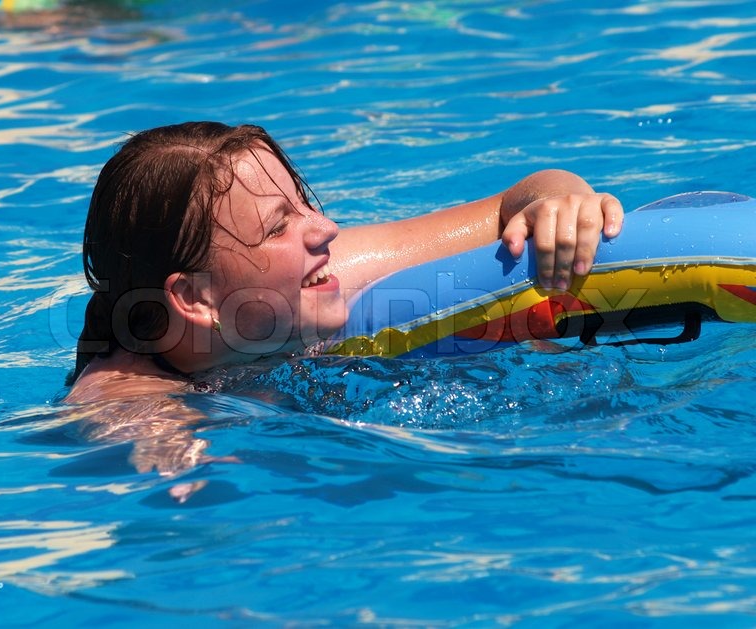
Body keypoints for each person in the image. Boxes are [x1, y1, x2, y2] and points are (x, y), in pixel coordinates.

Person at [64, 121, 622, 481]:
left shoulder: (325, 273)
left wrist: (561, 203)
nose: (325, 229)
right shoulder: (125, 395)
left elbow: (518, 199)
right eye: (280, 226)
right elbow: (142, 444)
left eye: (304, 203)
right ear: (196, 298)